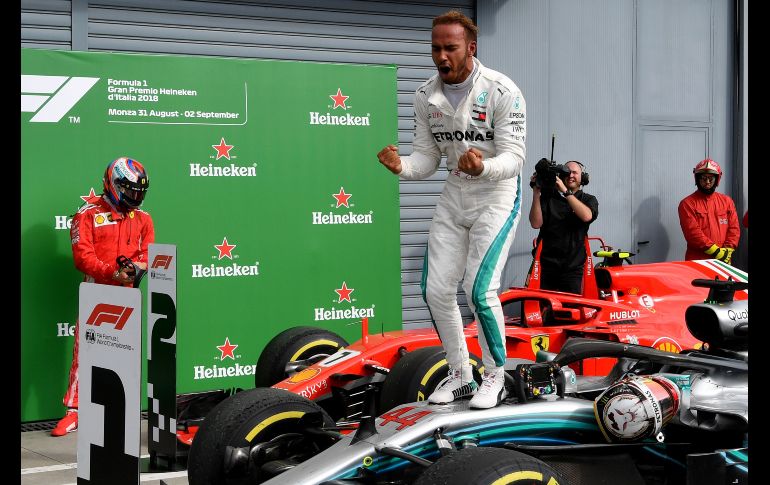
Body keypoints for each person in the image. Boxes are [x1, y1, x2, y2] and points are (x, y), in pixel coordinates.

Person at [376, 11, 526, 409]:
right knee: (436, 289)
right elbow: (426, 159)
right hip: (455, 192)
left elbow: (514, 157)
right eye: (435, 48)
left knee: (479, 290)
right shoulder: (425, 95)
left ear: (470, 48)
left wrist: (484, 167)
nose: (441, 56)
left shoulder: (501, 90)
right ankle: (460, 374)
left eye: (450, 48)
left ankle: (496, 375)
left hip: (497, 193)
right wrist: (402, 167)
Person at [51, 157, 154, 436]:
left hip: (128, 296)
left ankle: (116, 409)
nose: (136, 197)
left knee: (125, 354)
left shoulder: (143, 219)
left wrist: (137, 269)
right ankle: (74, 411)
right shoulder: (86, 214)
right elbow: (83, 257)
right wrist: (112, 272)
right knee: (85, 353)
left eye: (140, 191)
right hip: (96, 293)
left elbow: (147, 254)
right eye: (130, 190)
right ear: (113, 184)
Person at [528, 160, 599, 295]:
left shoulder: (589, 199)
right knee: (543, 309)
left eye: (575, 172)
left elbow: (586, 216)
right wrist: (536, 194)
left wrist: (566, 193)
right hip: (546, 266)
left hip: (573, 269)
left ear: (582, 177)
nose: (571, 175)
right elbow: (535, 223)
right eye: (567, 172)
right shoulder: (549, 198)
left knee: (571, 311)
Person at [677, 158, 740, 264]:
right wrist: (716, 251)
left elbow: (734, 229)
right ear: (697, 179)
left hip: (724, 259)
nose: (707, 182)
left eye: (711, 178)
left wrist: (728, 251)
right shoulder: (687, 203)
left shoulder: (727, 201)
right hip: (698, 261)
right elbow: (693, 233)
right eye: (703, 178)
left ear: (717, 179)